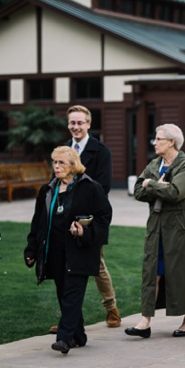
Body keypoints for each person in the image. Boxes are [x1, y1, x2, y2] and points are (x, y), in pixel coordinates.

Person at [25, 146, 112, 354]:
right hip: (54, 252)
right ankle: (78, 335)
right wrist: (31, 250)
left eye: (61, 162)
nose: (56, 166)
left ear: (73, 165)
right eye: (54, 162)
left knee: (72, 295)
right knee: (64, 294)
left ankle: (64, 339)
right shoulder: (48, 190)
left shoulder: (90, 187)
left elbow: (104, 218)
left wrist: (84, 232)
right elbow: (38, 223)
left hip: (79, 252)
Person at [127, 124, 185, 338]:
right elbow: (137, 190)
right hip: (157, 228)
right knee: (151, 272)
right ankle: (145, 321)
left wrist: (151, 185)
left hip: (181, 227)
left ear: (171, 142)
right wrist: (155, 185)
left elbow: (175, 192)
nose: (154, 142)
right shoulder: (155, 164)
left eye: (158, 139)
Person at [47, 105, 120, 333]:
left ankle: (111, 308)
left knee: (96, 265)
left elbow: (103, 187)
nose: (76, 127)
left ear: (88, 124)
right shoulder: (63, 150)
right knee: (65, 269)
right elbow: (55, 183)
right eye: (72, 123)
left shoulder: (101, 150)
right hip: (62, 220)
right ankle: (70, 322)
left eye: (80, 123)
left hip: (88, 219)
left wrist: (81, 214)